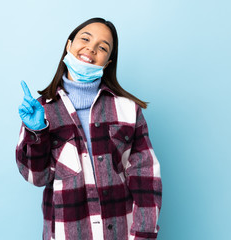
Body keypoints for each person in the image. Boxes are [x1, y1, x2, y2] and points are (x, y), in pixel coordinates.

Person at [15, 17, 162, 240]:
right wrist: (36, 132)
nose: (91, 49)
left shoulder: (128, 110)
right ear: (69, 45)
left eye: (102, 47)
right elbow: (36, 178)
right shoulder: (41, 110)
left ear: (108, 62)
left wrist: (143, 234)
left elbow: (146, 178)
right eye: (85, 39)